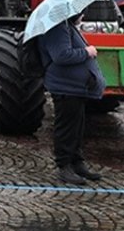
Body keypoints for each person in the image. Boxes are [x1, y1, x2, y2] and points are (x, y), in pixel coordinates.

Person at [38, 12, 106, 185]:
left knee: (76, 125)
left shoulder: (67, 27)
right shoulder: (57, 28)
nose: (83, 15)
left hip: (76, 87)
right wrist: (87, 52)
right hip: (65, 86)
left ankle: (77, 162)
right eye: (81, 12)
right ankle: (64, 166)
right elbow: (61, 56)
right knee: (66, 127)